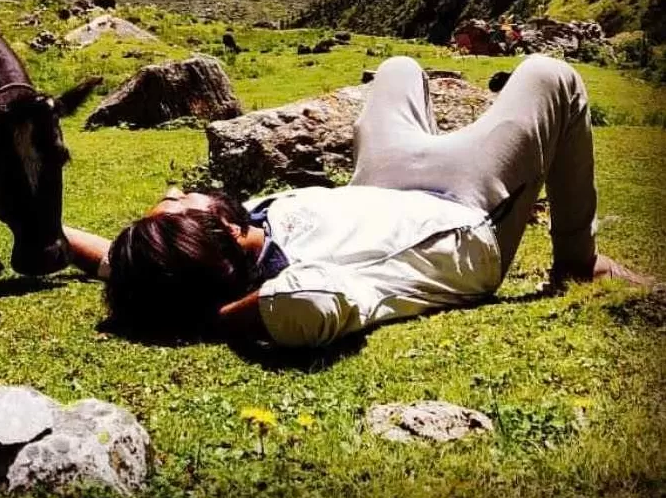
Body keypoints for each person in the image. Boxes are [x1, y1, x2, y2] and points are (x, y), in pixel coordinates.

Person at [64, 55, 652, 347]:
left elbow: (117, 262)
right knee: (552, 75)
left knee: (397, 68)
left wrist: (46, 228)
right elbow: (304, 306)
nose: (173, 190)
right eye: (180, 206)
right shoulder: (313, 282)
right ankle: (578, 258)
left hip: (380, 186)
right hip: (465, 212)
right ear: (215, 245)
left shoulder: (198, 255)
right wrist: (211, 321)